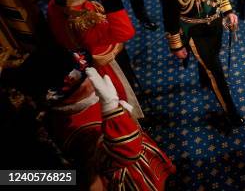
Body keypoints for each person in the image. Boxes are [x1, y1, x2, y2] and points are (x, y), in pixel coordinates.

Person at [22, 0, 143, 118]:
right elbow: (126, 33)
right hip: (106, 66)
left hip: (85, 60)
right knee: (123, 99)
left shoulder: (55, 5)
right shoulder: (80, 17)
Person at [43, 50, 175, 189]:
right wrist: (112, 110)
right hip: (131, 176)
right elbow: (128, 153)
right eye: (84, 79)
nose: (91, 79)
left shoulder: (83, 102)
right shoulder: (77, 130)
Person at [161, 0, 244, 132]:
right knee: (217, 73)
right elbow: (170, 20)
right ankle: (232, 113)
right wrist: (177, 46)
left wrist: (228, 12)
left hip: (215, 25)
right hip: (195, 33)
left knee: (213, 57)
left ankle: (203, 76)